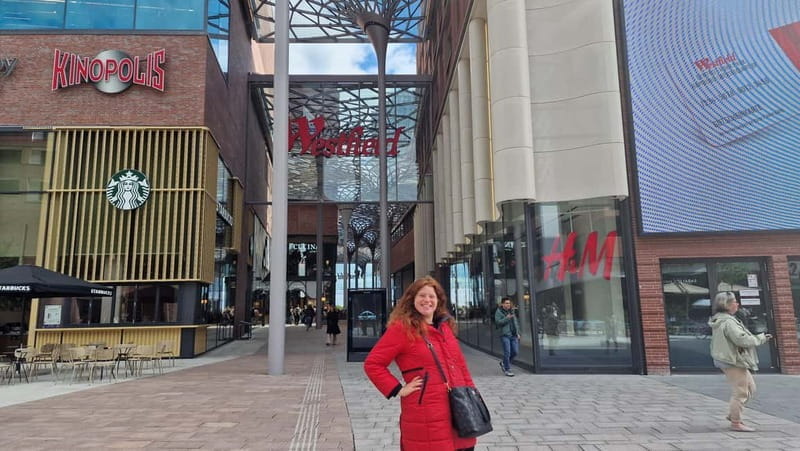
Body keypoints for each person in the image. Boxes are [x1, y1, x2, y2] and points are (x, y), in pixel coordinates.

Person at [364, 276, 478, 451]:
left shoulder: (445, 328)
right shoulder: (401, 329)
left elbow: (461, 365)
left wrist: (472, 394)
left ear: (438, 300)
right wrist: (398, 389)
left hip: (459, 409)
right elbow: (373, 364)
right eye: (421, 296)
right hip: (426, 412)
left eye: (431, 296)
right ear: (412, 300)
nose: (427, 300)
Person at [709, 291, 773, 432]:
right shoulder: (728, 321)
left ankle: (733, 415)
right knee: (741, 392)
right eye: (734, 302)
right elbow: (742, 339)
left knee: (750, 388)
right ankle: (736, 422)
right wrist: (761, 338)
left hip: (730, 359)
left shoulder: (721, 319)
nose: (737, 304)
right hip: (733, 360)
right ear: (727, 304)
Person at [494, 297, 520, 377]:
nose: (508, 304)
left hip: (514, 334)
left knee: (515, 352)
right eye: (506, 303)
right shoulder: (499, 312)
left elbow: (515, 322)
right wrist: (507, 318)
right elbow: (498, 322)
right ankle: (507, 369)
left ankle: (504, 363)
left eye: (509, 303)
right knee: (507, 352)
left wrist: (518, 333)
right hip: (505, 335)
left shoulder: (512, 311)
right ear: (502, 304)